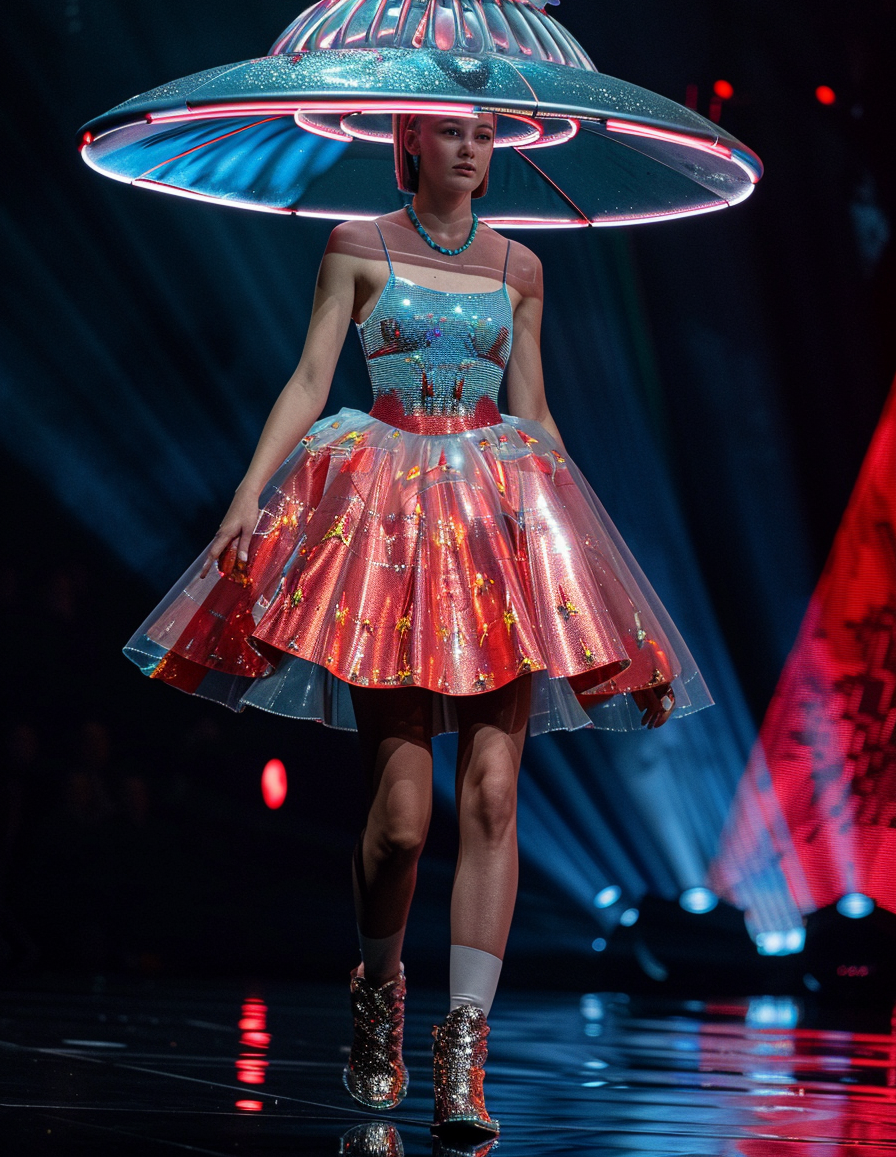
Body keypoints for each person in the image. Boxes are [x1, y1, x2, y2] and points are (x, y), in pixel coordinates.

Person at [125, 109, 709, 1140]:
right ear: (407, 145)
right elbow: (310, 380)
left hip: (497, 528)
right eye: (449, 133)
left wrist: (583, 550)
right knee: (400, 824)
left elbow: (532, 415)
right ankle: (378, 994)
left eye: (485, 131)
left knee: (491, 794)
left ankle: (463, 1056)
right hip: (385, 534)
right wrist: (245, 499)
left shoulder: (521, 266)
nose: (472, 148)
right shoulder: (357, 245)